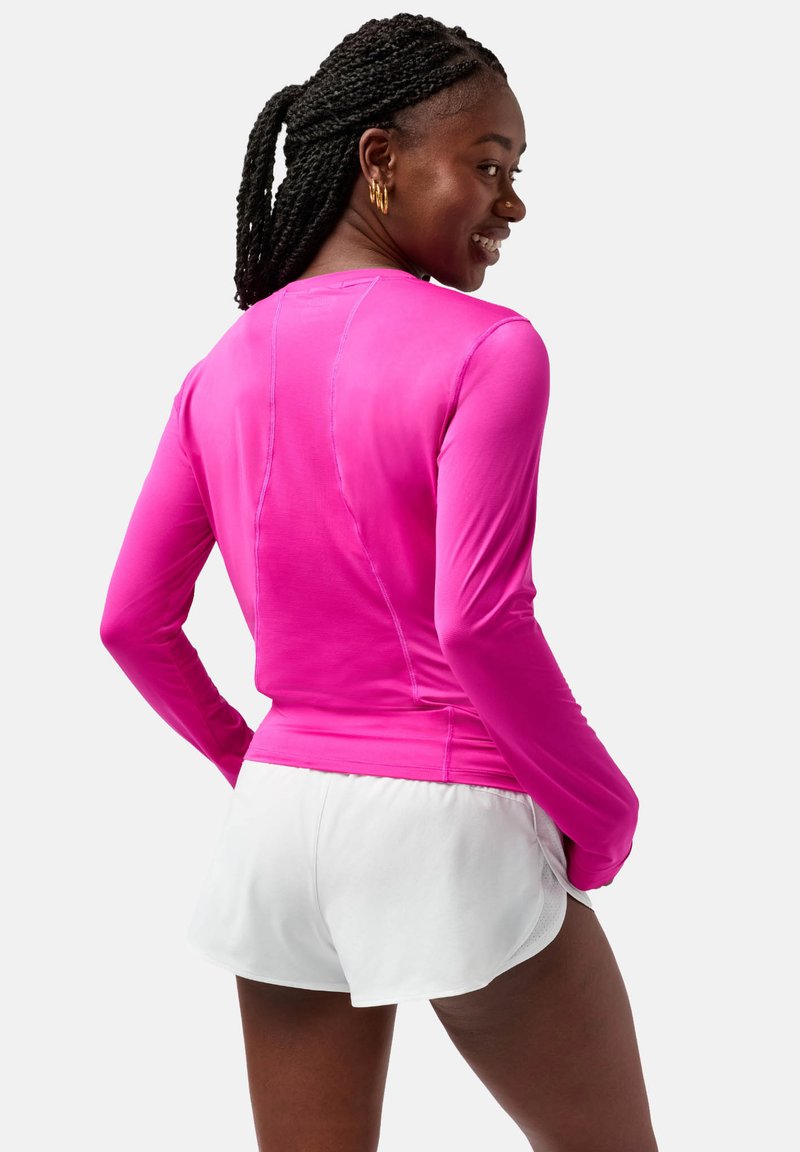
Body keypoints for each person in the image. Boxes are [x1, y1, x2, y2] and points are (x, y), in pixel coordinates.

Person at [99, 13, 658, 1152]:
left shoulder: (220, 368)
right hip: (448, 824)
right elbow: (478, 621)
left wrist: (247, 759)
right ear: (379, 160)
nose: (511, 203)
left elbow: (131, 623)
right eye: (488, 164)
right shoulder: (489, 347)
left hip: (277, 826)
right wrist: (603, 810)